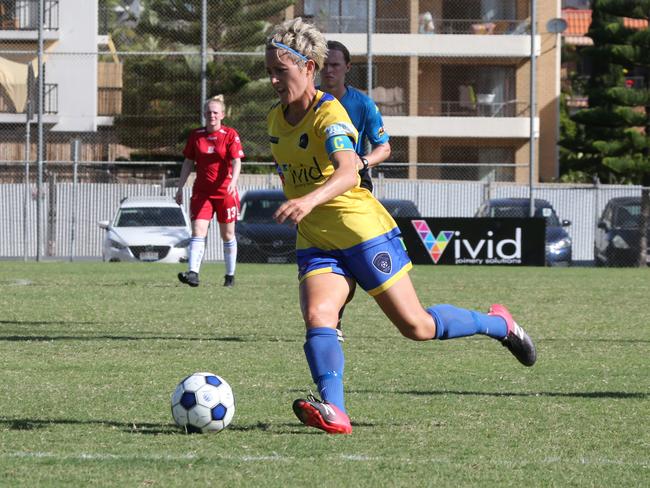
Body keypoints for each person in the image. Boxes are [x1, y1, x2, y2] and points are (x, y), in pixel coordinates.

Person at [265, 18, 536, 435]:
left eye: (280, 71)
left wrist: (307, 199)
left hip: (363, 234)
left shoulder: (329, 114)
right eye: (269, 71)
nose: (272, 80)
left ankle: (497, 323)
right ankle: (334, 410)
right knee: (320, 314)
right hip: (317, 240)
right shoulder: (274, 120)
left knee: (417, 327)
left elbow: (350, 171)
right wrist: (304, 205)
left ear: (309, 69)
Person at [176, 95, 244, 288]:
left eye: (215, 112)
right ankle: (193, 274)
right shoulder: (196, 135)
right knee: (198, 231)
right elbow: (188, 162)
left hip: (225, 193)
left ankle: (230, 276)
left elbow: (236, 160)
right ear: (204, 114)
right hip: (202, 192)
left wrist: (233, 181)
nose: (211, 115)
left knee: (227, 234)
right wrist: (180, 187)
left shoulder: (230, 134)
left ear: (222, 115)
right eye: (208, 112)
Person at [319, 40, 390, 193]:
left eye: (335, 65)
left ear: (348, 67)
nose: (328, 70)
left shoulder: (363, 104)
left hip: (353, 178)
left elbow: (384, 148)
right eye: (324, 64)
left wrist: (362, 162)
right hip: (316, 176)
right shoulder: (307, 100)